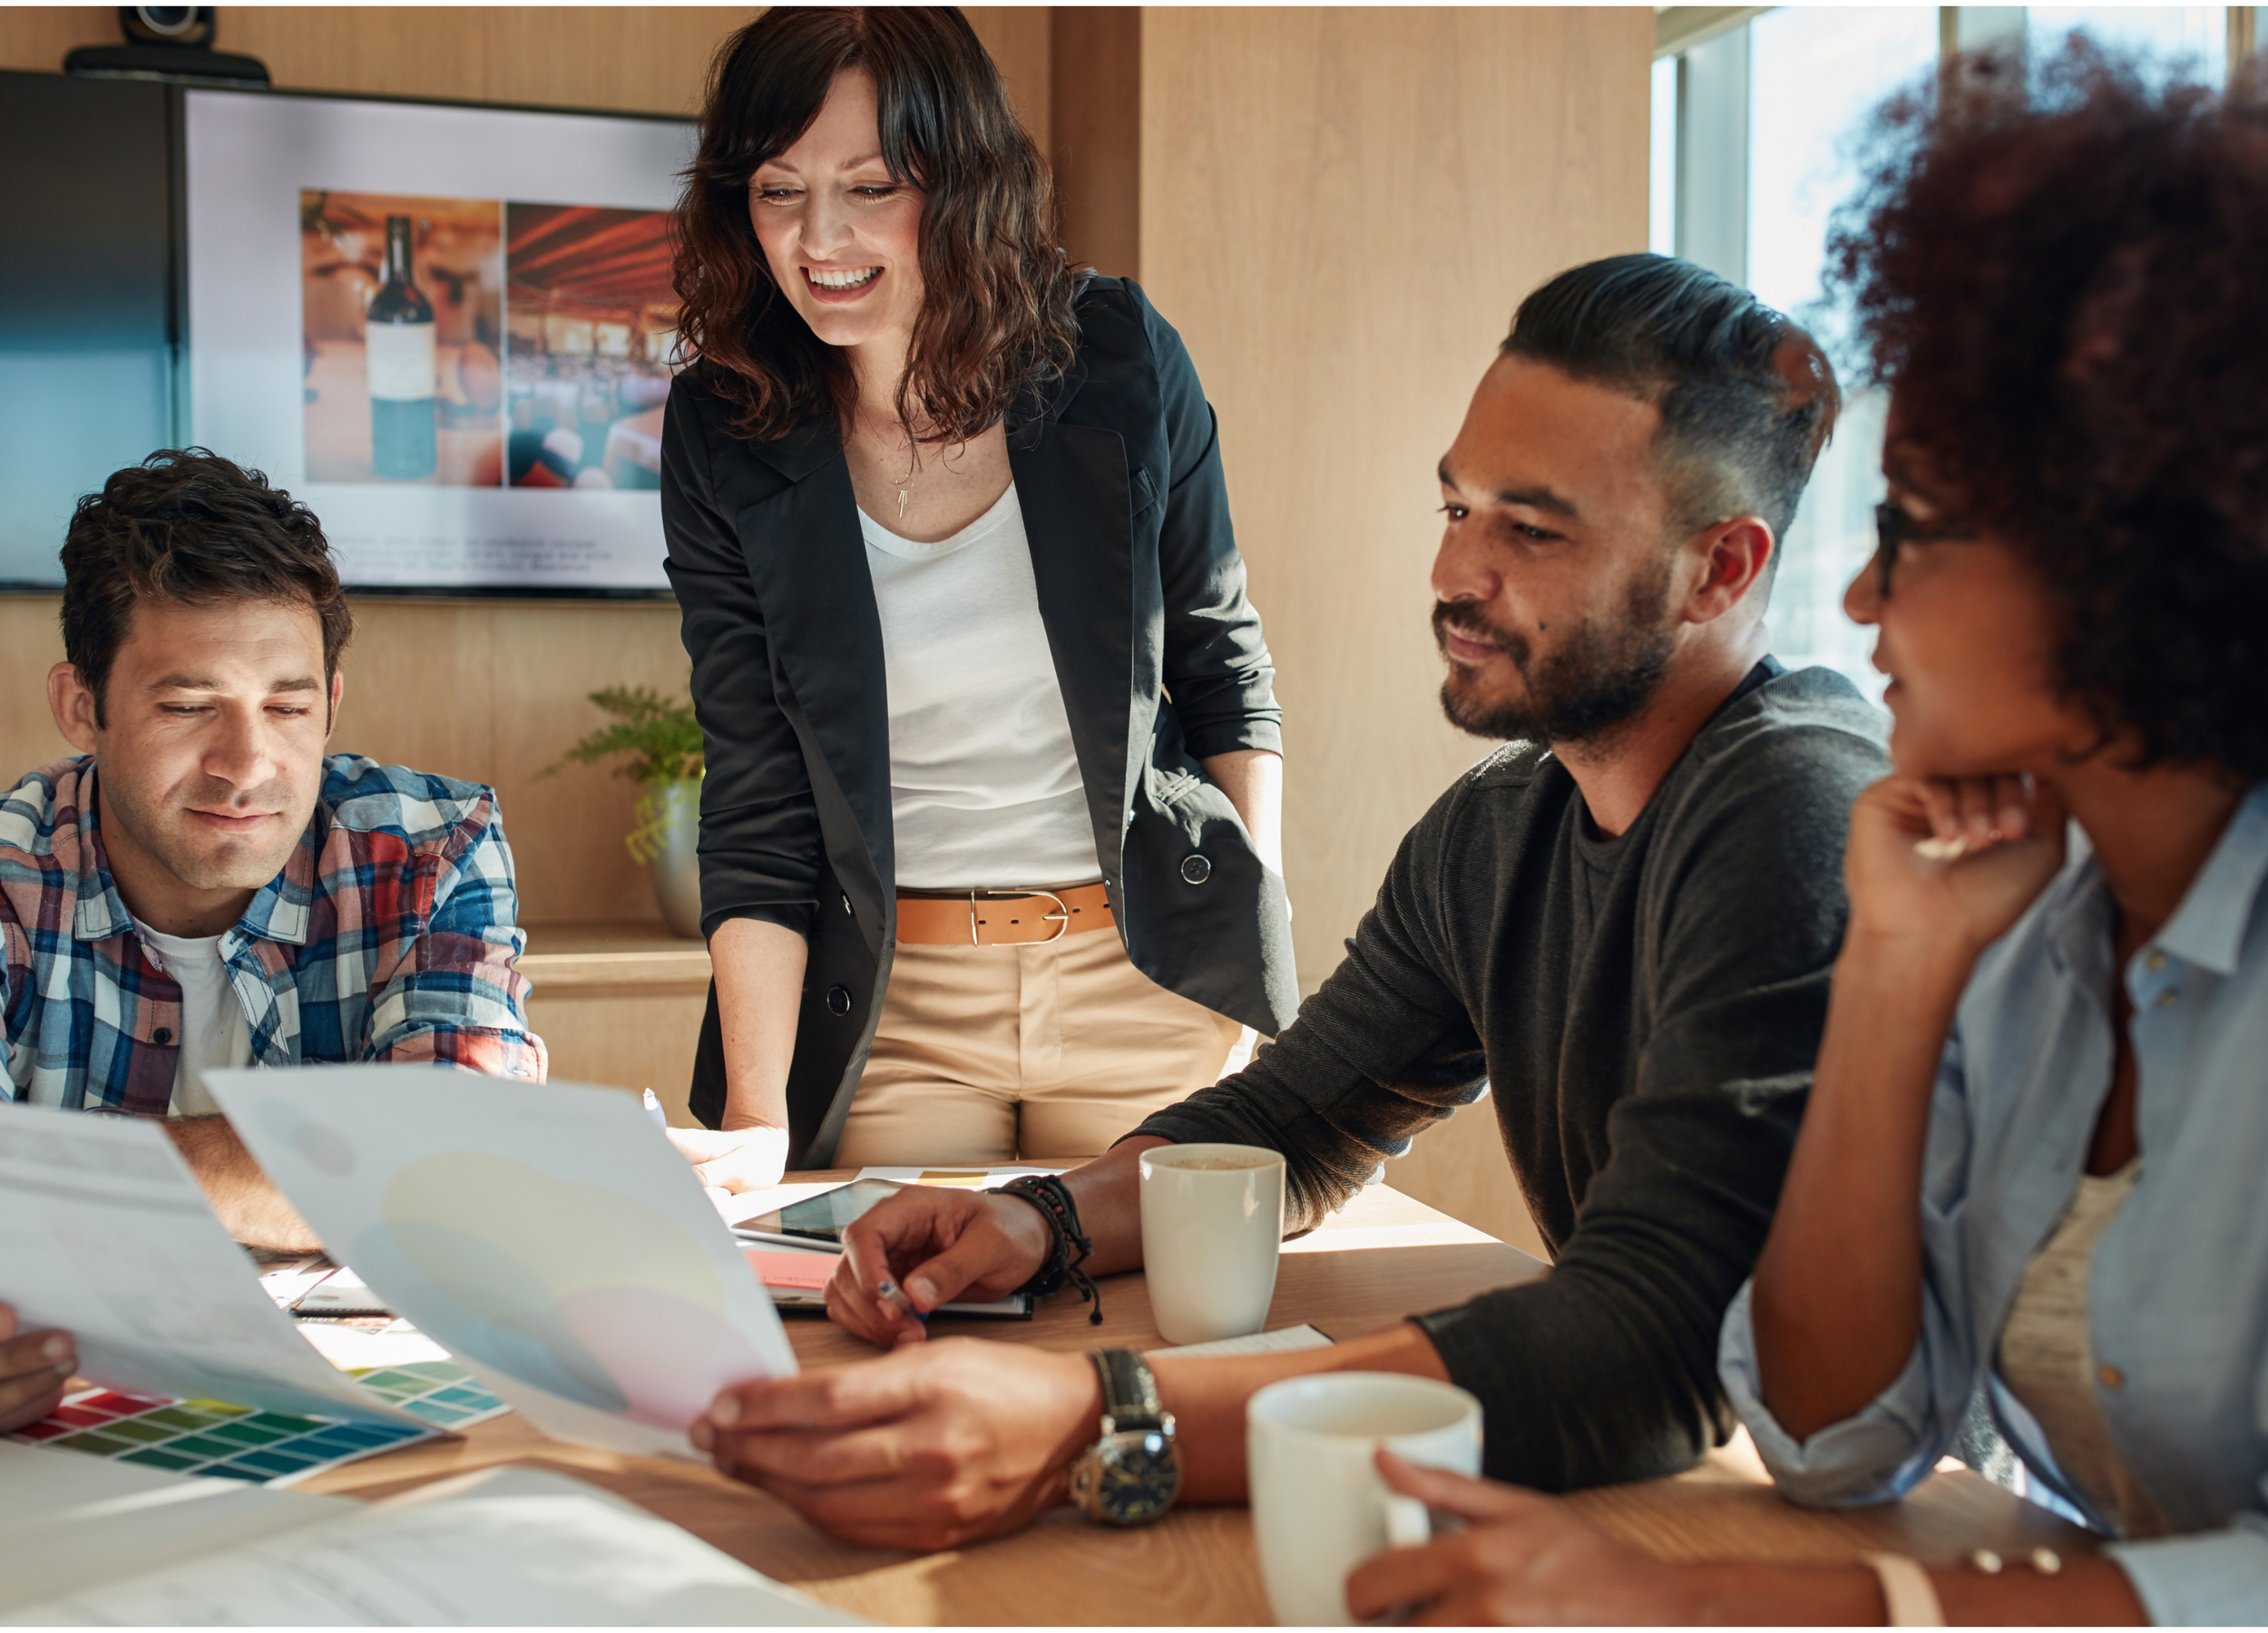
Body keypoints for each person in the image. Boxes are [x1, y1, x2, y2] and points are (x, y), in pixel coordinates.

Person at [686, 253, 1890, 1550]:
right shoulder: (1498, 831)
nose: (1456, 575)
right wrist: (1032, 1221)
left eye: (1530, 530)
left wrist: (1097, 1417)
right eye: (1455, 508)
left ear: (1722, 570)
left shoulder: (1796, 809)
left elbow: (1653, 1335)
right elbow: (1294, 1117)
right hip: (1668, 1500)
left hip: (1848, 1539)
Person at [1314, 46, 2268, 1627]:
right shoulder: (2021, 928)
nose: (1865, 598)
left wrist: (1710, 1608)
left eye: (1914, 535)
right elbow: (1836, 1440)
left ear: (2133, 551)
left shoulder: (1799, 791)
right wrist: (1895, 970)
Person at [660, 6, 1294, 1197]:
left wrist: (1244, 954)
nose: (820, 238)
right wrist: (756, 1119)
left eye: (872, 185)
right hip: (896, 1006)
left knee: (1173, 1345)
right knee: (903, 1332)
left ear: (960, 183)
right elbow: (754, 781)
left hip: (1145, 977)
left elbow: (1222, 668)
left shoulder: (1118, 355)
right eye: (778, 190)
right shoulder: (725, 423)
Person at [0, 449, 548, 1259]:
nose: (248, 764)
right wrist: (339, 1159)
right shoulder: (16, 876)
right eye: (189, 707)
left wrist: (46, 1167)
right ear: (82, 708)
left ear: (330, 705)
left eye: (286, 708)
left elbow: (449, 1176)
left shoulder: (432, 850)